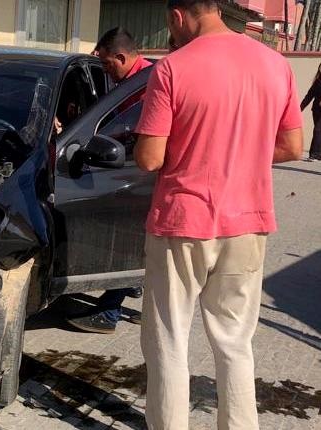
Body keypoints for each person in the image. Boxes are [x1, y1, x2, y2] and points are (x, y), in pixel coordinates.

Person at [133, 1, 303, 428]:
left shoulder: (172, 68)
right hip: (248, 220)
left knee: (169, 339)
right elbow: (292, 147)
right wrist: (240, 156)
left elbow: (150, 158)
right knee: (234, 343)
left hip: (182, 221)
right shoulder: (275, 64)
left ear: (177, 16)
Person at [67, 27, 153, 335]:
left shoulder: (150, 84)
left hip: (139, 169)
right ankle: (132, 284)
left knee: (130, 240)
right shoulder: (132, 80)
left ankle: (110, 311)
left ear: (121, 56)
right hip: (130, 164)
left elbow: (135, 131)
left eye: (107, 64)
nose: (105, 71)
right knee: (139, 244)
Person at [300, 63, 321, 161]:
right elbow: (309, 96)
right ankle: (316, 154)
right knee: (318, 130)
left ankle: (315, 154)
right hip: (316, 110)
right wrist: (300, 108)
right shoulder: (317, 81)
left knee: (318, 130)